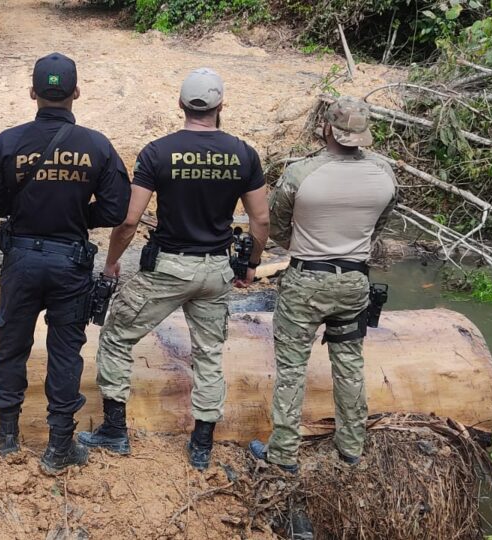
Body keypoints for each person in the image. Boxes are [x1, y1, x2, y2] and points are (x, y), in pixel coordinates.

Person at [77, 68, 269, 471]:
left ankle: (115, 430)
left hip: (167, 269)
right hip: (216, 268)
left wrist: (112, 264)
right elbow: (261, 221)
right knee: (210, 354)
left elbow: (129, 221)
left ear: (180, 104)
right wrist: (250, 266)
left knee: (115, 336)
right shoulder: (244, 153)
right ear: (220, 107)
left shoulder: (158, 152)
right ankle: (201, 445)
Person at [0, 52, 131, 476]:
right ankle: (59, 446)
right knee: (65, 352)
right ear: (75, 93)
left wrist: (22, 207)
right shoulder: (97, 145)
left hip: (21, 259)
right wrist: (79, 214)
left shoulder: (7, 142)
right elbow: (116, 211)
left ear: (33, 93)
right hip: (70, 263)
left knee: (12, 344)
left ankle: (7, 436)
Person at [249, 97, 398, 473]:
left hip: (306, 280)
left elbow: (277, 223)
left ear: (328, 129)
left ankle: (283, 453)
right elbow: (380, 226)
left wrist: (303, 245)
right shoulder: (384, 174)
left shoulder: (301, 173)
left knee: (292, 368)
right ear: (363, 135)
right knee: (349, 363)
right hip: (354, 280)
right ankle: (350, 448)